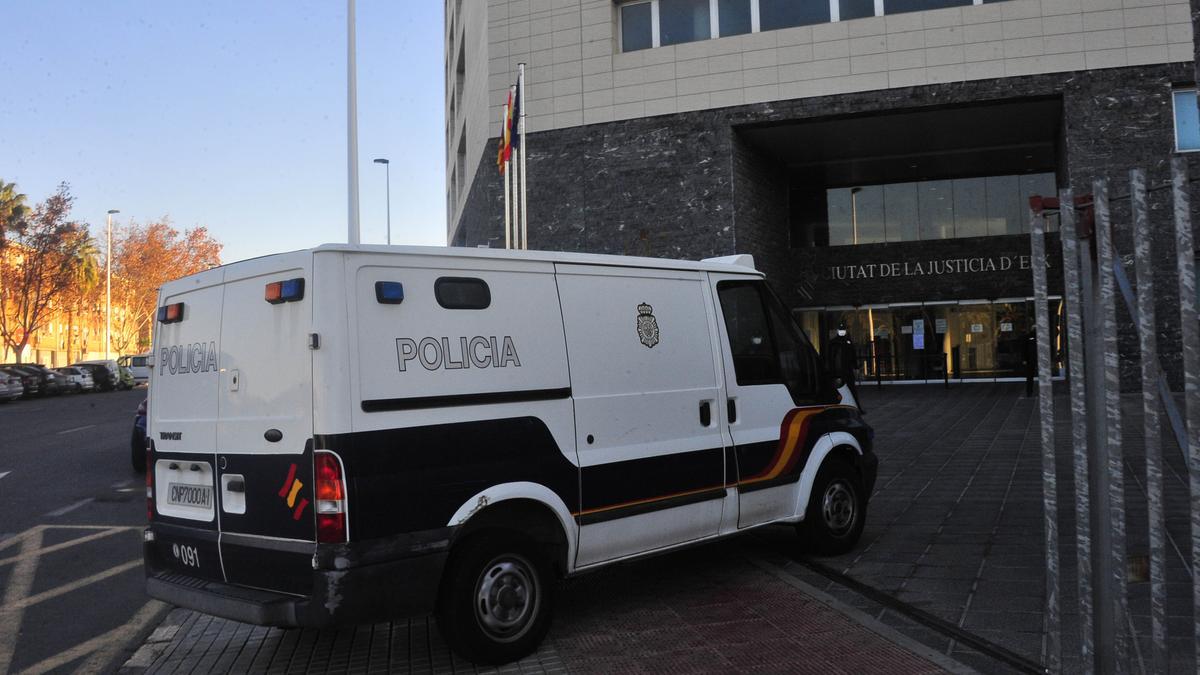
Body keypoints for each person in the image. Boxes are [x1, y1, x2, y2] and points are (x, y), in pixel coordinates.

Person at [827, 324, 864, 413]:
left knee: (851, 390)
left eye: (843, 330)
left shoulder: (847, 342)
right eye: (841, 330)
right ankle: (837, 409)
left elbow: (852, 356)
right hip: (838, 372)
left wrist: (855, 367)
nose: (842, 331)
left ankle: (856, 408)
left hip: (847, 371)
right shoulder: (834, 343)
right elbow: (830, 358)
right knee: (838, 391)